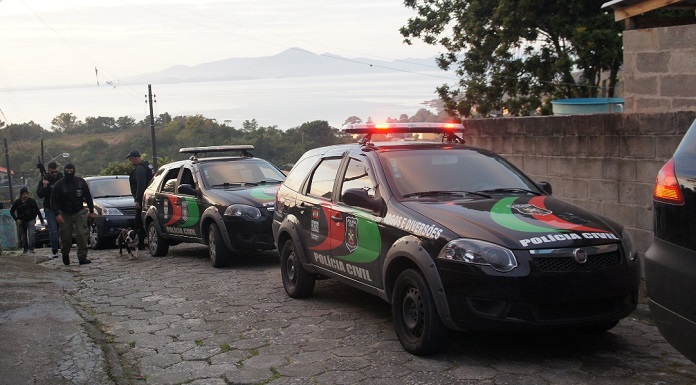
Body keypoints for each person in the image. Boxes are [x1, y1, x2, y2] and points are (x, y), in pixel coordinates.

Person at [51, 163, 96, 266]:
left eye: (71, 170)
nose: (69, 172)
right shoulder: (59, 184)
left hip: (79, 211)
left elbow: (88, 197)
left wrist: (92, 211)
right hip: (65, 213)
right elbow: (53, 201)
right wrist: (57, 214)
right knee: (66, 237)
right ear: (64, 170)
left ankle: (82, 257)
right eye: (67, 170)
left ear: (74, 170)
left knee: (81, 234)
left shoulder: (81, 182)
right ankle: (65, 253)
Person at [127, 150, 154, 250]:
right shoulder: (147, 166)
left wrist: (138, 200)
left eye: (131, 159)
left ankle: (141, 243)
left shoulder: (140, 169)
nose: (131, 161)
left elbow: (140, 185)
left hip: (143, 199)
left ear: (135, 158)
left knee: (139, 221)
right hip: (149, 197)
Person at [36, 161, 63, 258]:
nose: (54, 174)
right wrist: (44, 187)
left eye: (56, 172)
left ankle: (63, 248)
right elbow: (39, 194)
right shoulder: (44, 179)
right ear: (48, 171)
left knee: (63, 230)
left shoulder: (61, 178)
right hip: (49, 208)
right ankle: (55, 250)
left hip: (61, 207)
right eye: (52, 172)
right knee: (53, 230)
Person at [10, 187, 43, 254]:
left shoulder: (31, 201)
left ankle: (31, 248)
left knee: (31, 234)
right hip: (21, 221)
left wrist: (41, 220)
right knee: (23, 236)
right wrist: (16, 219)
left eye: (26, 194)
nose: (25, 196)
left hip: (31, 219)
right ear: (21, 195)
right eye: (23, 194)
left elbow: (37, 210)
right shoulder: (17, 202)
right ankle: (25, 248)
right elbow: (11, 211)